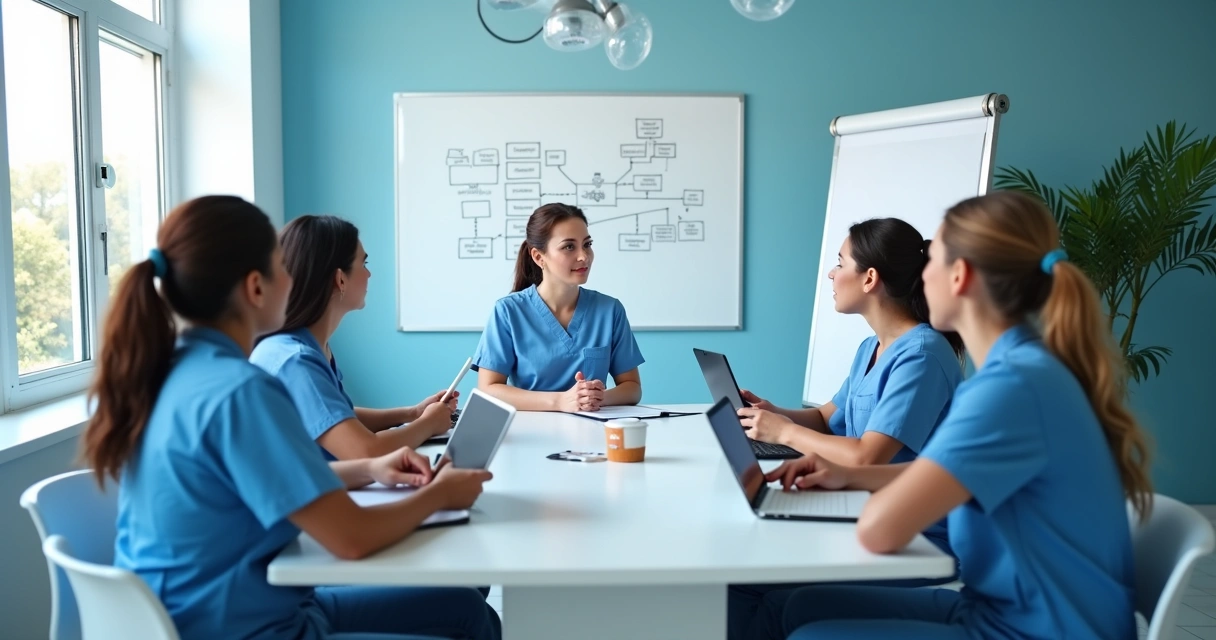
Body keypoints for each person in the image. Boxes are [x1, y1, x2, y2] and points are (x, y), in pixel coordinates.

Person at [84, 196, 500, 640]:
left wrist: (371, 468)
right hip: (241, 628)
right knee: (468, 615)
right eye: (282, 266)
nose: (294, 278)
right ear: (256, 287)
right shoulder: (240, 392)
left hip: (232, 608)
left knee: (464, 609)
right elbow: (351, 538)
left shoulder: (175, 370)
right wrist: (440, 495)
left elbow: (259, 480)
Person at [771, 191, 1152, 640]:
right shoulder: (1022, 369)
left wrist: (855, 473)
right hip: (994, 609)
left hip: (1038, 630)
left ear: (960, 276)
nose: (920, 272)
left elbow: (880, 532)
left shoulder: (1009, 390)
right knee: (800, 605)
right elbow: (946, 474)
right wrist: (847, 476)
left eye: (931, 257)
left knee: (809, 634)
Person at [729, 218, 964, 640]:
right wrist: (771, 412)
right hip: (861, 510)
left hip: (918, 534)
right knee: (740, 576)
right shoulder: (870, 348)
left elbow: (867, 457)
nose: (832, 274)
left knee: (760, 589)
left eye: (840, 263)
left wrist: (781, 432)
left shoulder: (922, 356)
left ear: (870, 278)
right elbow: (825, 418)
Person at [251, 215, 455, 460]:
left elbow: (336, 416)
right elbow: (365, 451)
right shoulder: (296, 360)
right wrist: (429, 424)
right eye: (363, 263)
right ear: (340, 279)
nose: (369, 274)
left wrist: (411, 413)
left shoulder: (310, 346)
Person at [474, 203, 644, 412]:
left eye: (587, 244)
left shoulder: (610, 310)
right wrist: (560, 402)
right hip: (531, 433)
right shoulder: (508, 312)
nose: (584, 256)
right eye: (569, 247)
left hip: (594, 431)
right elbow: (488, 389)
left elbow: (632, 388)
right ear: (538, 257)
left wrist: (596, 397)